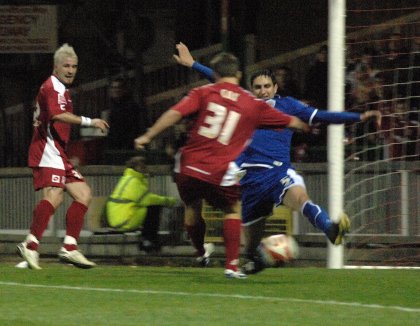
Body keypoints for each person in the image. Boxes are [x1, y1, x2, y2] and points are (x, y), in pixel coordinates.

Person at [173, 42, 382, 274]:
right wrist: (193, 64)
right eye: (257, 87)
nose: (262, 91)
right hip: (249, 181)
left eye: (266, 86)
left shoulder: (288, 106)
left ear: (275, 88)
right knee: (250, 248)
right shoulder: (244, 102)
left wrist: (359, 116)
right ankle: (256, 261)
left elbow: (323, 116)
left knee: (301, 198)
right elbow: (221, 79)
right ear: (251, 89)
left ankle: (330, 229)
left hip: (277, 172)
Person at [134, 51, 309, 279]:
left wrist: (148, 136)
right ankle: (231, 266)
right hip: (220, 166)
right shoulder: (251, 102)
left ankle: (200, 252)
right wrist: (304, 125)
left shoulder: (203, 92)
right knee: (232, 209)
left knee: (192, 208)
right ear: (238, 73)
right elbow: (291, 121)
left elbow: (174, 113)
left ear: (215, 73)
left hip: (189, 163)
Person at [17, 43, 109, 270]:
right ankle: (31, 245)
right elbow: (58, 116)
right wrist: (90, 121)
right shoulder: (54, 87)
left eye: (74, 66)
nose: (70, 70)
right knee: (55, 195)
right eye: (66, 66)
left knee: (83, 194)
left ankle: (69, 248)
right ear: (56, 67)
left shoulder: (59, 88)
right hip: (48, 149)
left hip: (58, 151)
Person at [106, 156, 177, 252]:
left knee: (148, 207)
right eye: (142, 167)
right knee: (153, 207)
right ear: (135, 168)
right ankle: (148, 241)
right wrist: (169, 201)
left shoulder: (128, 178)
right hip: (125, 220)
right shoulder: (134, 181)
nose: (145, 169)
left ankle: (148, 240)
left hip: (119, 218)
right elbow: (148, 199)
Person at [106, 77, 149, 151]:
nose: (115, 90)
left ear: (124, 90)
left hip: (127, 147)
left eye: (118, 87)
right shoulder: (114, 105)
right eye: (113, 87)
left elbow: (133, 128)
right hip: (116, 146)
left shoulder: (130, 106)